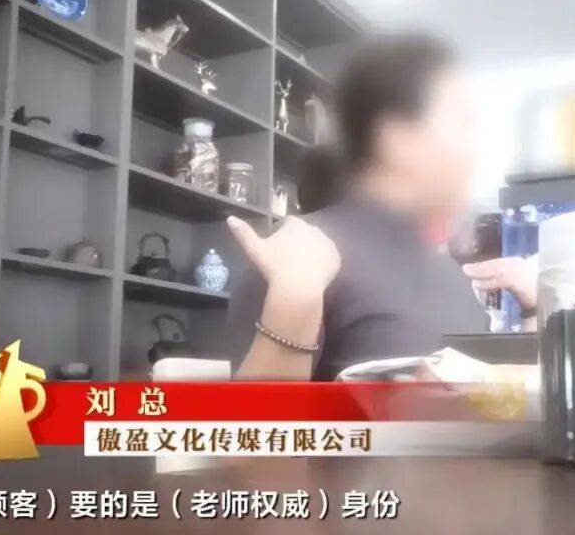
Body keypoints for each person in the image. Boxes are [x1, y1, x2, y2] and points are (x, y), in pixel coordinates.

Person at [225, 34, 536, 381]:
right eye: (462, 122)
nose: (476, 151)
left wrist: (535, 311)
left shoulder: (450, 272)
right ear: (397, 137)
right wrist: (294, 298)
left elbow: (494, 403)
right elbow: (247, 417)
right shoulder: (296, 252)